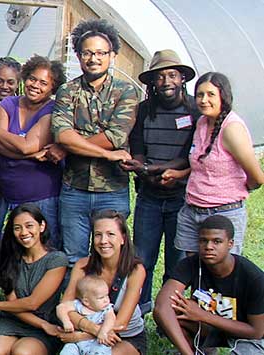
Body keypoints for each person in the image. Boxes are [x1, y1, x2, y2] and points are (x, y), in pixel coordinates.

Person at [51, 19, 137, 264]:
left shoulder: (125, 91)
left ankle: (110, 303)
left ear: (112, 56)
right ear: (78, 56)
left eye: (100, 53)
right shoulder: (67, 91)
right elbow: (62, 134)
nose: (93, 59)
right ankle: (71, 303)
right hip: (74, 189)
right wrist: (106, 154)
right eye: (87, 53)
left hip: (112, 190)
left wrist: (71, 144)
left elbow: (115, 136)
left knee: (112, 256)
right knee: (73, 257)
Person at [118, 50, 197, 313]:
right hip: (149, 197)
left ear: (182, 78)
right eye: (160, 76)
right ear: (152, 82)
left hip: (182, 198)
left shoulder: (196, 110)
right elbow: (137, 149)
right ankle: (139, 311)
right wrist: (145, 170)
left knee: (178, 262)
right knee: (143, 258)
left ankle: (171, 314)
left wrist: (165, 170)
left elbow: (193, 154)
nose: (166, 82)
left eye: (172, 75)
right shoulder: (143, 111)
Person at [0, 55, 66, 278]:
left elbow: (25, 145)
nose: (35, 86)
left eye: (43, 83)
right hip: (9, 194)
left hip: (42, 195)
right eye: (32, 79)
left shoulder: (51, 110)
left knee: (40, 250)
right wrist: (30, 153)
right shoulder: (9, 103)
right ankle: (12, 298)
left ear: (53, 87)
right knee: (8, 248)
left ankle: (40, 300)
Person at [169, 72, 264, 257]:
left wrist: (234, 189)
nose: (204, 100)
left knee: (220, 276)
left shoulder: (231, 129)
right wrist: (180, 174)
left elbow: (257, 177)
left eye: (211, 94)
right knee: (194, 273)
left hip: (223, 213)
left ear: (223, 96)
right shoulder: (203, 123)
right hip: (192, 210)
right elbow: (204, 164)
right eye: (199, 95)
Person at [155, 215, 264, 355]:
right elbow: (161, 307)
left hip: (247, 336)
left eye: (217, 241)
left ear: (230, 244)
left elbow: (256, 332)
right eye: (203, 241)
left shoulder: (254, 277)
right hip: (210, 327)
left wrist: (203, 316)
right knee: (173, 311)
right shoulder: (191, 264)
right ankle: (198, 351)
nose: (208, 247)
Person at [0, 204, 68, 355]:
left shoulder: (56, 260)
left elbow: (33, 303)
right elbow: (13, 304)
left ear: (42, 226)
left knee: (22, 353)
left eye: (29, 225)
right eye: (17, 228)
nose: (24, 232)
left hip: (43, 324)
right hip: (13, 319)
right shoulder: (11, 259)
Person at [60, 210, 147, 355]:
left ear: (123, 238)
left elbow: (121, 323)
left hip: (124, 337)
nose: (103, 241)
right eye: (98, 235)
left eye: (110, 234)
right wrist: (92, 330)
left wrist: (81, 335)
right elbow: (66, 307)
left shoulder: (136, 270)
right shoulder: (82, 266)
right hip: (87, 335)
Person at [57, 275, 117, 355]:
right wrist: (66, 321)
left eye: (107, 295)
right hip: (76, 343)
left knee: (101, 351)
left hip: (98, 342)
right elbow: (60, 308)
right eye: (101, 298)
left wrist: (103, 332)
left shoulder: (107, 309)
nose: (106, 300)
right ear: (86, 301)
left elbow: (111, 319)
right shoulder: (78, 305)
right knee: (67, 351)